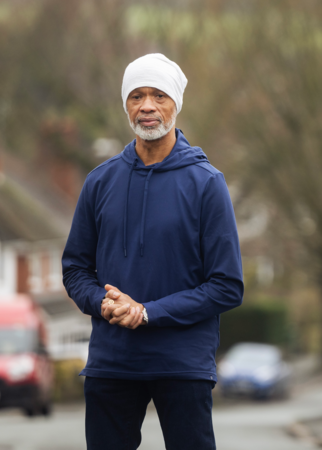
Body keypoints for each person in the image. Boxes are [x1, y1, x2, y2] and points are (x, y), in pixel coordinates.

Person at [62, 53, 244, 450]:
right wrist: (103, 303)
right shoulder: (99, 182)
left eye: (158, 95)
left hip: (182, 365)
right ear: (126, 105)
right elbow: (75, 268)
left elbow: (227, 285)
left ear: (175, 104)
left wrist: (148, 313)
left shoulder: (206, 184)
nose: (146, 106)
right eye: (137, 96)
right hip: (112, 363)